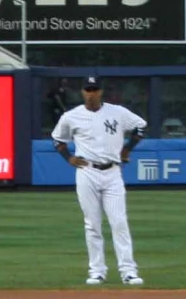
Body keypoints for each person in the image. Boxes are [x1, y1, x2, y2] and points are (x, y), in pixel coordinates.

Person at [50, 76, 146, 286]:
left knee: (119, 222)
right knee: (92, 224)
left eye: (95, 89)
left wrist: (127, 149)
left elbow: (140, 127)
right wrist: (69, 158)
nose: (91, 93)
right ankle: (97, 271)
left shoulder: (117, 112)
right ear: (82, 92)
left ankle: (128, 271)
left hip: (112, 172)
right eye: (88, 90)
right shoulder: (71, 116)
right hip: (87, 172)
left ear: (101, 92)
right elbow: (57, 139)